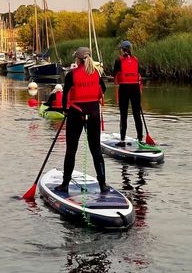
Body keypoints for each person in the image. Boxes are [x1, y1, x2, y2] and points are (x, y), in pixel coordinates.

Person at [57, 47, 108, 193]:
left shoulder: (71, 75)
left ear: (77, 59)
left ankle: (65, 184)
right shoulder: (96, 73)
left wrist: (65, 111)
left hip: (76, 114)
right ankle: (103, 185)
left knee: (71, 150)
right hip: (93, 113)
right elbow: (102, 89)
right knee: (96, 150)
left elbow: (66, 96)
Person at [113, 40, 150, 147]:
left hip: (124, 88)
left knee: (123, 115)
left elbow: (114, 74)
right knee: (136, 115)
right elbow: (139, 74)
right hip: (135, 89)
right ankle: (140, 138)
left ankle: (122, 139)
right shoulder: (136, 60)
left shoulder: (118, 60)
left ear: (122, 50)